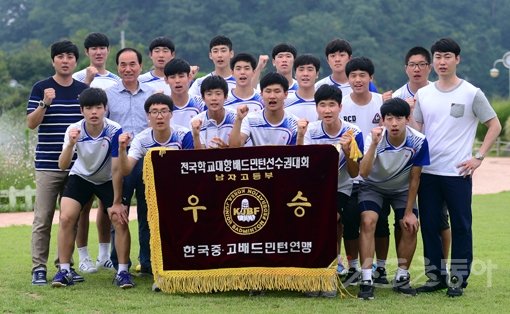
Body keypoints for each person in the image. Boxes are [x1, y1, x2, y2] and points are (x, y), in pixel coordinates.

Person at [413, 38, 501, 297]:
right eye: (438, 57)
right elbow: (417, 128)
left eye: (447, 56)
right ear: (433, 61)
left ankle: (458, 278)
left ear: (457, 59)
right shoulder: (424, 94)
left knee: (461, 226)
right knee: (429, 225)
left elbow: (494, 125)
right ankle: (435, 277)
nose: (442, 61)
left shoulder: (471, 92)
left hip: (457, 173)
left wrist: (479, 157)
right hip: (428, 172)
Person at [50, 87, 134, 289]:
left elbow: (116, 169)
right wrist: (70, 144)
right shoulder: (74, 129)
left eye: (98, 107)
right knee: (66, 217)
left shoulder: (114, 130)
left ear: (105, 108)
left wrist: (115, 203)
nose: (94, 112)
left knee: (120, 219)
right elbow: (62, 165)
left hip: (107, 178)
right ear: (82, 111)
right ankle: (64, 270)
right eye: (89, 108)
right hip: (81, 176)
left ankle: (123, 272)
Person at [27, 40, 88, 286]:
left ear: (75, 61)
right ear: (53, 61)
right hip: (47, 165)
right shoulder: (41, 88)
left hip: (76, 167)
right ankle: (38, 268)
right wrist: (44, 103)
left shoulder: (83, 90)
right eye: (60, 56)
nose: (65, 60)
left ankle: (65, 266)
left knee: (70, 218)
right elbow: (31, 124)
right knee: (43, 219)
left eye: (70, 56)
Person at [383, 46, 452, 264]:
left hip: (434, 166)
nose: (417, 69)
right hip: (402, 171)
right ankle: (403, 270)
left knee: (439, 220)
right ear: (406, 69)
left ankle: (440, 269)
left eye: (422, 64)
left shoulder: (438, 93)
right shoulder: (396, 97)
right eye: (412, 65)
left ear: (429, 67)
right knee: (402, 221)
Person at [357, 98, 429, 300]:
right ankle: (366, 278)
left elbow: (415, 177)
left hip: (402, 189)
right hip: (373, 186)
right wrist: (373, 144)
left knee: (410, 225)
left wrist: (408, 213)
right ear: (383, 120)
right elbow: (363, 172)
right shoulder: (372, 138)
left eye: (399, 118)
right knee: (368, 221)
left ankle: (402, 276)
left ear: (408, 119)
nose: (394, 123)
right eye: (389, 118)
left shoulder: (419, 141)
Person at [297, 84, 363, 298]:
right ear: (316, 108)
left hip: (340, 188)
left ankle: (329, 276)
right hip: (314, 189)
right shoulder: (311, 132)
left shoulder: (354, 133)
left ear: (340, 107)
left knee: (330, 222)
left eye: (331, 105)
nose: (327, 110)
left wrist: (346, 149)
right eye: (322, 105)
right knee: (311, 227)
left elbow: (355, 173)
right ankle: (312, 276)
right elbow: (302, 165)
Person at [73, 32, 120, 274]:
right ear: (87, 52)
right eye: (94, 48)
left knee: (106, 206)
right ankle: (83, 256)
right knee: (82, 207)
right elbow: (75, 113)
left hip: (107, 149)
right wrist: (87, 82)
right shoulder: (77, 77)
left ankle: (104, 255)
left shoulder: (114, 80)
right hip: (83, 151)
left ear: (108, 50)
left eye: (102, 47)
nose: (98, 52)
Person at [106, 47, 155, 275]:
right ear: (117, 67)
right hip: (122, 163)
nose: (128, 69)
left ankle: (147, 262)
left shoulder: (152, 93)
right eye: (123, 65)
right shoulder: (108, 95)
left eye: (132, 64)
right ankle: (119, 264)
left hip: (149, 164)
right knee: (120, 212)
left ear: (140, 66)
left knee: (148, 214)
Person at [340, 56, 388, 286]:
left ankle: (381, 268)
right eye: (353, 76)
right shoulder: (341, 104)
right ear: (347, 79)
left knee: (380, 223)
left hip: (378, 177)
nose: (358, 80)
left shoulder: (383, 103)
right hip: (349, 177)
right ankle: (352, 267)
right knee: (350, 223)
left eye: (362, 75)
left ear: (371, 78)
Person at [229, 72, 298, 147]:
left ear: (286, 94)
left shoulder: (294, 123)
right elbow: (234, 147)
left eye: (277, 91)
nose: (272, 96)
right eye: (268, 91)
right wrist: (238, 119)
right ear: (261, 94)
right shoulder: (250, 119)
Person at [191, 75, 236, 149]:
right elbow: (198, 156)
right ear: (203, 98)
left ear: (226, 97)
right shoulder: (196, 122)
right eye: (209, 94)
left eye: (218, 94)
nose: (214, 98)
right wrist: (196, 135)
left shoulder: (235, 117)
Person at [164, 58, 205, 127]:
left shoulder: (200, 103)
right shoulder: (163, 105)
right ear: (166, 80)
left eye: (181, 76)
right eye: (172, 77)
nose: (177, 81)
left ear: (189, 77)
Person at [284, 54, 320, 122]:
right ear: (295, 74)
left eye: (310, 69)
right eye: (301, 69)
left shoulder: (325, 102)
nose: (305, 74)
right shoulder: (285, 103)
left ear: (317, 74)